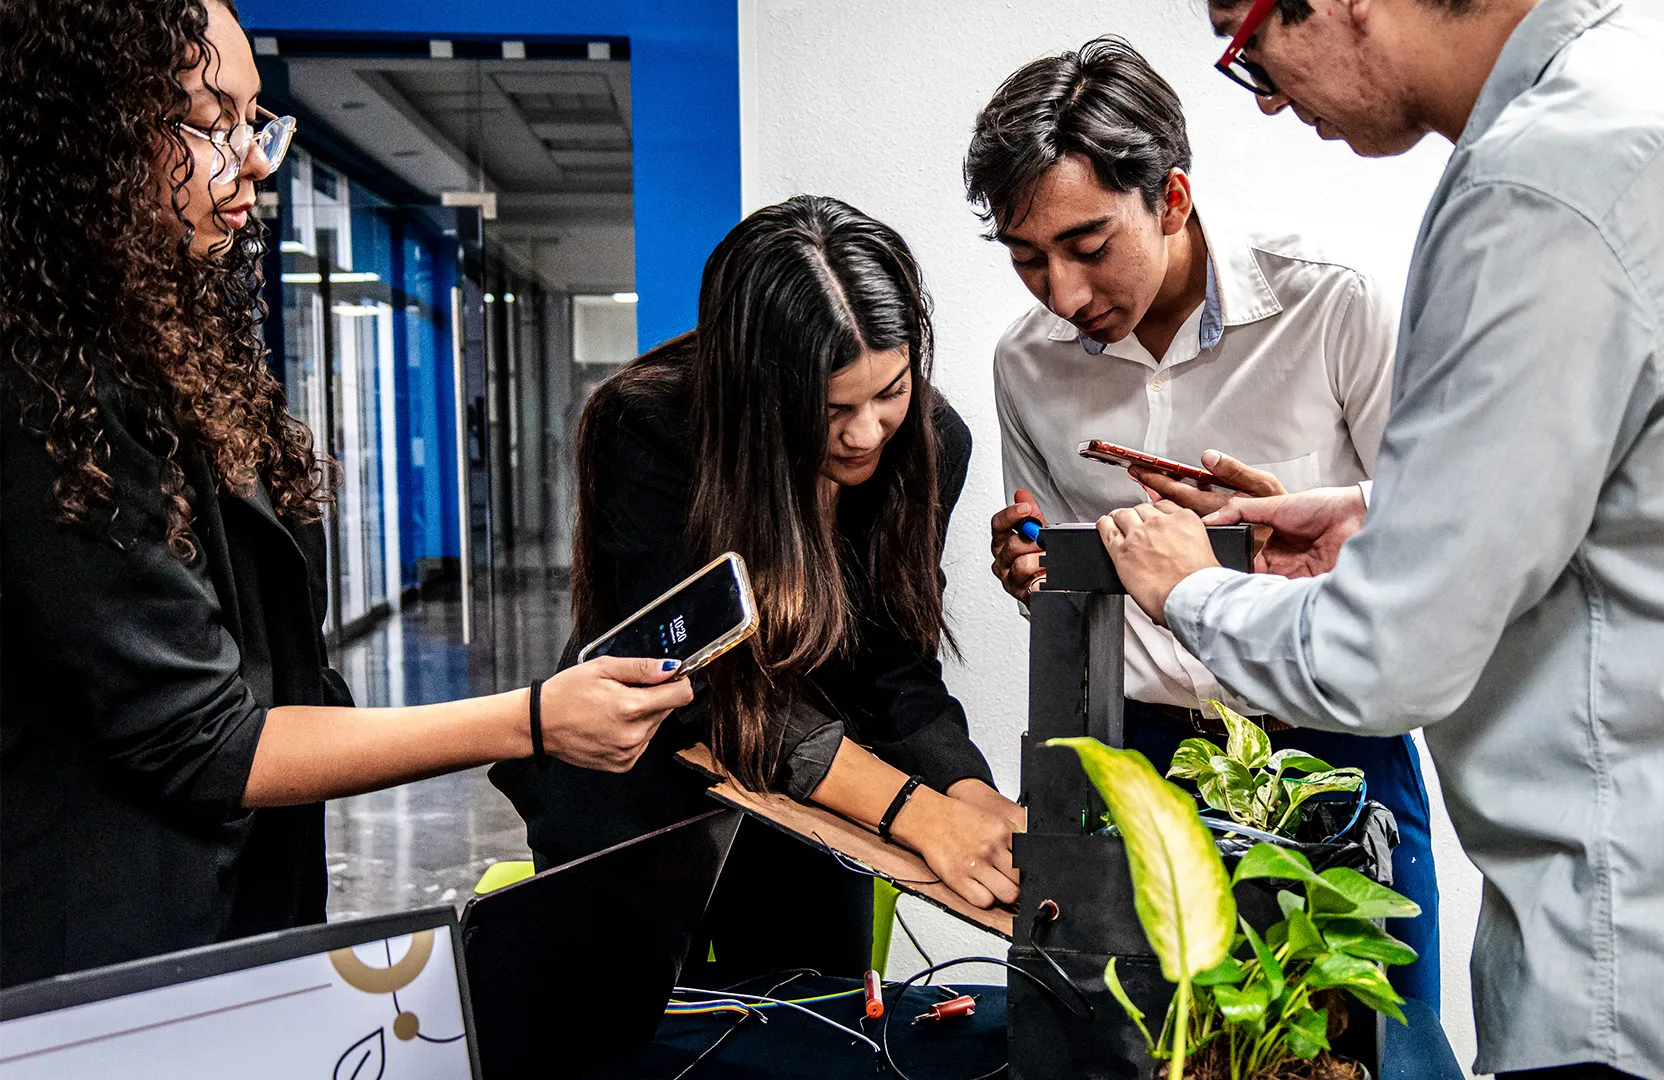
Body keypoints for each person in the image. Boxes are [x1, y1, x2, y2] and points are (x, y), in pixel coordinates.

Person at [1095, 1, 1664, 1078]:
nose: (1263, 87)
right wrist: (1380, 515)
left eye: (1246, 40)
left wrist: (1190, 589)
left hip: (1651, 974)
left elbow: (1384, 657)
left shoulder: (1536, 187)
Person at [0, 0, 694, 989]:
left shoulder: (163, 344)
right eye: (213, 123)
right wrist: (535, 719)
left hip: (226, 914)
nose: (255, 159)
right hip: (101, 963)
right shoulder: (48, 391)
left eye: (256, 120)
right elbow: (208, 737)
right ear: (89, 132)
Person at [966, 38, 1439, 1007]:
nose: (1063, 294)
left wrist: (1330, 537)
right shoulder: (1026, 365)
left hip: (1327, 750)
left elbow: (1441, 534)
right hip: (1135, 765)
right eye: (1027, 260)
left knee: (1361, 1049)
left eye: (1089, 247)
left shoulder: (1333, 308)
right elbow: (1061, 592)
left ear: (1172, 200)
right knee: (1130, 1049)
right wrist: (1033, 575)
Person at [490, 195, 1023, 982]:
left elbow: (895, 665)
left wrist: (966, 791)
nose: (868, 433)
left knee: (812, 1027)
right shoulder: (647, 426)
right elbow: (698, 677)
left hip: (807, 797)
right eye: (832, 408)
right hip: (642, 781)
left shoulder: (931, 442)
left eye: (891, 391)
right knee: (618, 1038)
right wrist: (914, 810)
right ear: (754, 389)